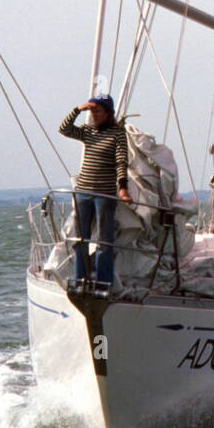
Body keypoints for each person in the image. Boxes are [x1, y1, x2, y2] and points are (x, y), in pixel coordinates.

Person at [59, 94, 130, 288]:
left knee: (104, 241)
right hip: (83, 192)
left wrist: (123, 188)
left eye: (98, 111)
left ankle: (102, 283)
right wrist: (78, 110)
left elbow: (121, 161)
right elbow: (64, 129)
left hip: (104, 194)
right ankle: (80, 280)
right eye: (92, 111)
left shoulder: (117, 133)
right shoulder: (88, 131)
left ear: (108, 113)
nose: (94, 115)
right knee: (80, 239)